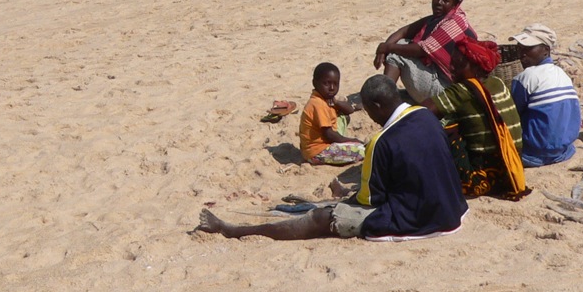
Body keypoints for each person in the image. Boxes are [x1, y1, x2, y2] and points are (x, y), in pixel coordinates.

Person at [196, 75, 467, 241]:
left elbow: (370, 200)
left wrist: (344, 201)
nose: (371, 119)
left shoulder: (381, 142)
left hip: (424, 219)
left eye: (370, 113)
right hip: (452, 206)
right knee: (336, 202)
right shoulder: (426, 116)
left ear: (376, 106)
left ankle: (235, 230)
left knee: (323, 218)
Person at [428, 38, 531, 200]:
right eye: (452, 63)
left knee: (446, 129)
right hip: (511, 169)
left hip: (482, 177)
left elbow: (420, 114)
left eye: (459, 64)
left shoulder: (462, 90)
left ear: (476, 68)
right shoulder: (498, 83)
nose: (452, 68)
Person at [373, 0, 478, 104]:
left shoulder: (453, 23)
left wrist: (386, 48)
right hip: (442, 80)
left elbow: (420, 49)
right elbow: (404, 31)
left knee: (397, 54)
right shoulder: (438, 19)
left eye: (445, 0)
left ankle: (383, 99)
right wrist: (383, 49)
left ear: (455, 4)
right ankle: (386, 93)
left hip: (449, 91)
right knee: (401, 44)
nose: (439, 2)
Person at [509, 23, 581, 167]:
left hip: (534, 154)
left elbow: (513, 114)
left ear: (546, 50)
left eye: (528, 48)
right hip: (564, 150)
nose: (522, 53)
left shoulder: (526, 77)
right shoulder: (562, 74)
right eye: (520, 48)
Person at [299, 62, 365, 165]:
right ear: (315, 83)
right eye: (327, 83)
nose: (332, 88)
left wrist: (336, 102)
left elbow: (349, 111)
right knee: (362, 151)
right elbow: (328, 134)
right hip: (318, 151)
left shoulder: (327, 99)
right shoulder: (318, 104)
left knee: (343, 116)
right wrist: (350, 140)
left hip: (326, 141)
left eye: (336, 84)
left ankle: (342, 144)